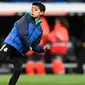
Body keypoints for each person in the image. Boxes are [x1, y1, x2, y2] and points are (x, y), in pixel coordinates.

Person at [0, 2, 51, 85]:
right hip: (10, 45)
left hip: (19, 51)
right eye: (32, 9)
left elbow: (35, 46)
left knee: (17, 71)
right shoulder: (25, 18)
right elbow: (21, 34)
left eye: (35, 10)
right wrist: (29, 45)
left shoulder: (40, 30)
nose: (32, 11)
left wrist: (42, 49)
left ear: (41, 13)